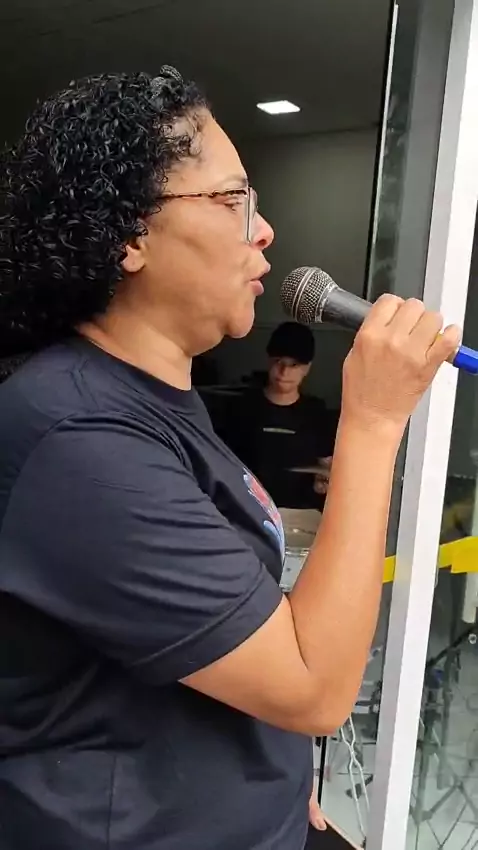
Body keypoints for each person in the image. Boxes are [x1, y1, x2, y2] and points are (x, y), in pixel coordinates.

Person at [0, 67, 460, 850]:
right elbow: (315, 691)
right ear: (130, 236)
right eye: (232, 200)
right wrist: (374, 421)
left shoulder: (160, 398)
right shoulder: (77, 438)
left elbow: (220, 632)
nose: (265, 229)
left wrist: (276, 772)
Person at [219, 321, 336, 510]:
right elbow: (222, 465)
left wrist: (323, 484)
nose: (284, 372)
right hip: (249, 510)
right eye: (278, 362)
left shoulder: (317, 413)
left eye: (294, 365)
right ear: (269, 361)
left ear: (306, 368)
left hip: (300, 513)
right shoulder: (241, 407)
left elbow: (326, 467)